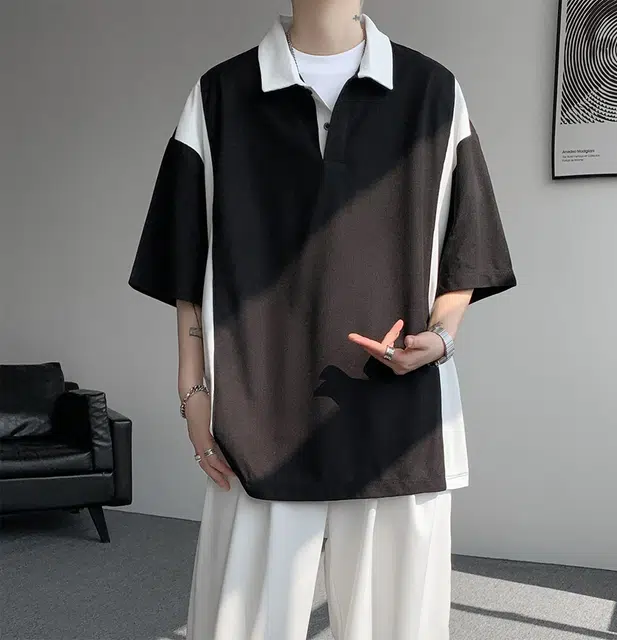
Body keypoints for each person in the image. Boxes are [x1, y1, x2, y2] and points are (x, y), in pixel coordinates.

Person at [128, 1, 516, 638]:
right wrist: (192, 392)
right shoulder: (220, 95)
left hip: (397, 420)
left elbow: (466, 254)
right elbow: (183, 263)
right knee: (241, 626)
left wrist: (441, 339)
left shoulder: (433, 92)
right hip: (256, 417)